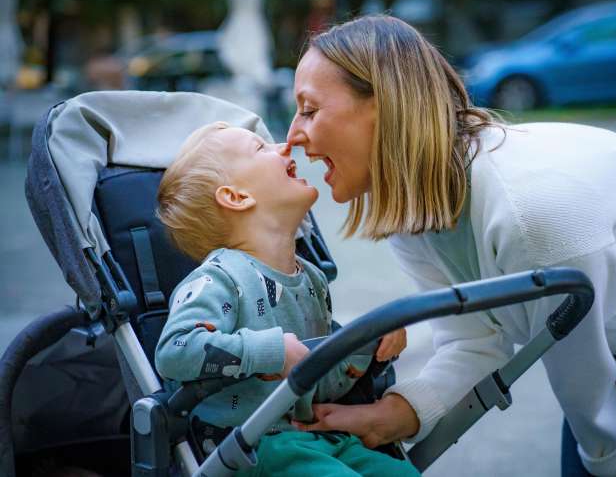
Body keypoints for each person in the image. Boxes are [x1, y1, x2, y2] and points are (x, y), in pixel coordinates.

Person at [285, 15, 616, 477]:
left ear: (384, 105)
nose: (292, 136)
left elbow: (579, 371)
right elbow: (474, 337)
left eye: (309, 109)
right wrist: (401, 412)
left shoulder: (527, 211)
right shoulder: (414, 210)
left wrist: (606, 460)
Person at [154, 121, 418, 476]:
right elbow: (175, 350)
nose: (283, 146)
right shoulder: (218, 278)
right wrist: (272, 352)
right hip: (252, 448)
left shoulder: (311, 279)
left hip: (314, 439)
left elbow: (321, 385)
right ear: (236, 196)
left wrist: (366, 344)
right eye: (260, 148)